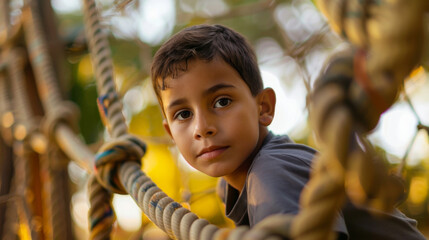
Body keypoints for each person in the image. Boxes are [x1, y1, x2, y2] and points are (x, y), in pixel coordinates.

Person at [150, 24, 426, 239]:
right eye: (183, 114)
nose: (202, 128)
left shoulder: (271, 172)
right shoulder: (232, 185)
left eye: (222, 102)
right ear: (170, 133)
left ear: (264, 107)